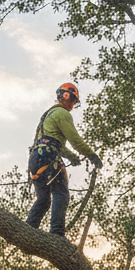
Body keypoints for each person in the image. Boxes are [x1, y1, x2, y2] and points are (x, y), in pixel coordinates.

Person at [25, 82, 102, 238]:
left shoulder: (47, 115)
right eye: (73, 100)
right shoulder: (63, 114)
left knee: (44, 199)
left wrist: (72, 157)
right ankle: (57, 233)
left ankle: (28, 230)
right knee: (61, 193)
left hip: (35, 159)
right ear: (67, 96)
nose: (73, 104)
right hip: (49, 157)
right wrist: (92, 156)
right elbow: (76, 141)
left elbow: (51, 142)